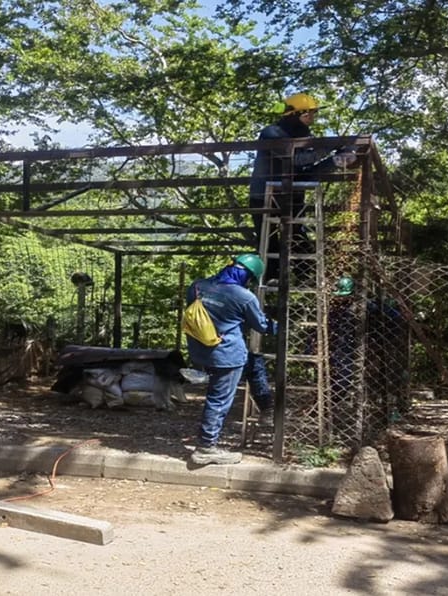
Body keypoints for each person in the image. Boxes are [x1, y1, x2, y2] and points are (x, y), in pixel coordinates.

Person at [248, 92, 358, 281]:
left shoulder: (303, 135)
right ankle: (270, 279)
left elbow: (308, 165)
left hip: (292, 193)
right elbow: (296, 159)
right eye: (311, 113)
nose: (313, 117)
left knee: (298, 236)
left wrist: (336, 156)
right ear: (300, 114)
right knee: (268, 243)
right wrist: (330, 146)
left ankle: (305, 276)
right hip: (264, 196)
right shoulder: (272, 133)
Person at [184, 254, 276, 465]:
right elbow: (261, 326)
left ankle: (266, 409)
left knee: (253, 364)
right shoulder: (244, 296)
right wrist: (281, 326)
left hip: (201, 351)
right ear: (248, 276)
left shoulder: (197, 287)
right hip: (227, 356)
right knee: (218, 399)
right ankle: (206, 447)